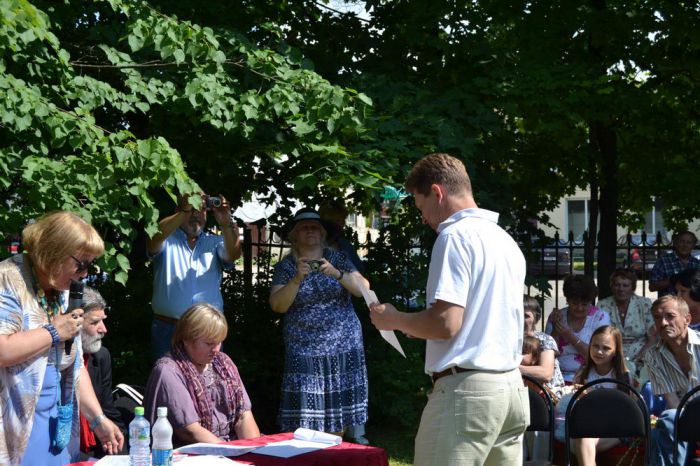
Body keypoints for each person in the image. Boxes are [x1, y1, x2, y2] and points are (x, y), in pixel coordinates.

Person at [368, 153, 529, 465]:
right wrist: (414, 325)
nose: (423, 218)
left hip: (468, 394)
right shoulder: (505, 240)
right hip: (511, 389)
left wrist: (394, 319)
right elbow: (478, 323)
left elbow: (446, 324)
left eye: (421, 206)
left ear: (438, 193)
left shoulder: (454, 236)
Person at [0, 211, 124, 465]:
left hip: (56, 422)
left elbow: (76, 363)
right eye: (81, 264)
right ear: (54, 251)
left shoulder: (63, 289)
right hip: (15, 425)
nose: (85, 274)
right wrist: (53, 332)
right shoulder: (8, 278)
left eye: (90, 265)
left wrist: (98, 420)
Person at [270, 207, 370, 435]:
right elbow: (278, 305)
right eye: (304, 227)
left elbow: (363, 290)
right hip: (304, 349)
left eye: (315, 226)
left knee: (338, 417)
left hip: (342, 347)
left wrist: (336, 273)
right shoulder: (286, 267)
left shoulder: (338, 259)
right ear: (294, 235)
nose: (310, 230)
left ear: (323, 233)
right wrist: (296, 279)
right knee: (305, 419)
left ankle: (334, 455)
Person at [144, 303, 260, 446]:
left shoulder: (224, 363)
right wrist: (229, 454)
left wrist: (253, 449)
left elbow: (244, 416)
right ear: (186, 339)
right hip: (193, 453)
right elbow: (190, 431)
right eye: (209, 343)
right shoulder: (168, 370)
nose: (216, 349)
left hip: (229, 449)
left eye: (219, 342)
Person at [148, 192, 241, 359]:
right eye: (191, 209)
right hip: (169, 328)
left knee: (208, 382)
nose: (196, 214)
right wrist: (185, 210)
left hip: (208, 330)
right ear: (178, 210)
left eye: (201, 209)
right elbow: (155, 237)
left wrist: (226, 224)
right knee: (167, 381)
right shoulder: (167, 240)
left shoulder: (215, 242)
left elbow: (233, 254)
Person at [319, 199, 368, 444]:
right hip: (314, 336)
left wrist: (338, 272)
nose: (336, 224)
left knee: (351, 380)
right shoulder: (303, 252)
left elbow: (361, 282)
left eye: (339, 219)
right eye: (331, 219)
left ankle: (357, 435)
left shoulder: (342, 249)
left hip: (343, 329)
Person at [643, 296, 700, 466]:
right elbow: (673, 402)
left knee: (660, 433)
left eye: (670, 316)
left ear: (687, 319)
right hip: (682, 419)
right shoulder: (652, 355)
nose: (664, 323)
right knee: (668, 419)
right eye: (658, 318)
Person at [572, 325, 631, 466]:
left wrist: (594, 398)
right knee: (580, 439)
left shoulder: (621, 375)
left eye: (606, 348)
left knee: (583, 440)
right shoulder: (584, 373)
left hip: (615, 430)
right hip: (588, 426)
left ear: (616, 351)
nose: (599, 352)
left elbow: (624, 411)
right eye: (595, 346)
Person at [79, 287, 126, 458]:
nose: (103, 329)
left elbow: (108, 410)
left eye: (103, 321)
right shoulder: (53, 360)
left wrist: (123, 453)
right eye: (94, 322)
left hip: (95, 445)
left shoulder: (100, 357)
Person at [546, 274, 611, 383]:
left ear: (591, 301)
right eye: (575, 303)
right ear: (567, 300)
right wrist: (556, 330)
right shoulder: (558, 316)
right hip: (558, 376)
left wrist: (570, 336)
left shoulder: (600, 318)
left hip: (590, 376)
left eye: (584, 304)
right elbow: (548, 354)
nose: (579, 308)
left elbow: (599, 357)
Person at [597, 269, 654, 383]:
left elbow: (653, 337)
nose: (621, 289)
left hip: (642, 355)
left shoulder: (644, 303)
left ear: (632, 288)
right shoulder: (603, 304)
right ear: (612, 287)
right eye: (617, 285)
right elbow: (601, 336)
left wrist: (640, 357)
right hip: (613, 355)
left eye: (625, 285)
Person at [520, 296, 565, 392]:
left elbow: (546, 373)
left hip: (547, 396)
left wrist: (512, 369)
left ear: (535, 318)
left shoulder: (545, 339)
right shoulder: (508, 340)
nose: (521, 319)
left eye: (526, 316)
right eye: (517, 314)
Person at [649, 231, 700, 297]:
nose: (685, 245)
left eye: (689, 242)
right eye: (682, 241)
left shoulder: (697, 263)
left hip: (690, 306)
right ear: (676, 243)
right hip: (670, 305)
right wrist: (671, 280)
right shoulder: (663, 261)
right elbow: (652, 287)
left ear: (693, 246)